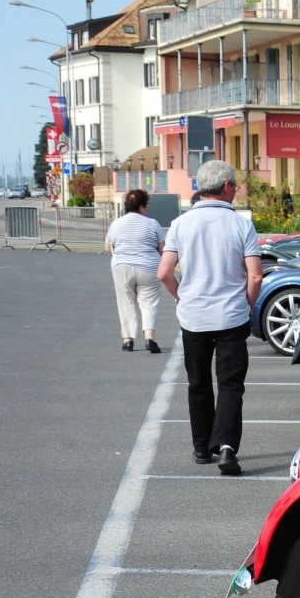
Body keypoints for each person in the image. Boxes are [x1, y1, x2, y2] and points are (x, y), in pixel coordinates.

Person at [157, 160, 263, 476]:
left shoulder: (180, 224)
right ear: (227, 187)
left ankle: (202, 448)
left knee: (198, 382)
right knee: (230, 384)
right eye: (236, 185)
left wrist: (181, 296)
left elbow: (164, 272)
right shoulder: (242, 224)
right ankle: (228, 448)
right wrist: (246, 305)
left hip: (194, 316)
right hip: (231, 314)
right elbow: (255, 276)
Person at [104, 189, 166, 353]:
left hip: (122, 266)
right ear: (142, 206)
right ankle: (149, 338)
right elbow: (163, 249)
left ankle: (128, 340)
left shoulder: (116, 224)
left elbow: (107, 248)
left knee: (126, 303)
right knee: (149, 303)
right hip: (149, 267)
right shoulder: (153, 224)